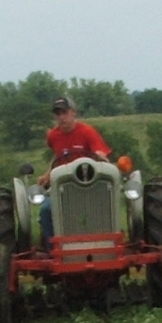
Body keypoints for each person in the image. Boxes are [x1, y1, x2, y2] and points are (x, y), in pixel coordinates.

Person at [37, 96, 112, 243]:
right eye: (58, 114)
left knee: (107, 205)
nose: (62, 118)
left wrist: (100, 157)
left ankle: (106, 240)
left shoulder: (87, 132)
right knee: (46, 210)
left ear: (73, 113)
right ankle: (54, 249)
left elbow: (100, 153)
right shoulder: (53, 135)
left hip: (88, 185)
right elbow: (58, 156)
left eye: (65, 113)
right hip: (63, 187)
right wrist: (47, 174)